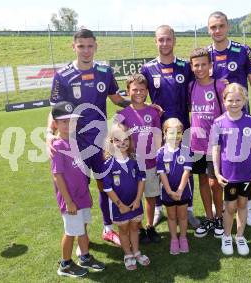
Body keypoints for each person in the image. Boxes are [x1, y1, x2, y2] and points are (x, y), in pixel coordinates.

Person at [47, 28, 132, 247]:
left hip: (102, 142)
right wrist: (49, 133)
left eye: (90, 46)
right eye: (81, 46)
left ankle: (107, 228)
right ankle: (80, 235)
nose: (86, 51)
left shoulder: (105, 71)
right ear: (73, 46)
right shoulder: (63, 76)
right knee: (78, 188)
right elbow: (55, 111)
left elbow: (116, 99)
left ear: (96, 46)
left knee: (106, 185)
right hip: (75, 144)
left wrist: (143, 107)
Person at [141, 25, 199, 228]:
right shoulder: (147, 69)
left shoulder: (185, 66)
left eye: (168, 39)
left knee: (185, 167)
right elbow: (136, 95)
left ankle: (188, 208)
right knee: (159, 168)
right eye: (160, 40)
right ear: (155, 42)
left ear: (174, 41)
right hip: (158, 130)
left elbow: (197, 92)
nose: (164, 43)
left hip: (183, 128)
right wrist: (148, 105)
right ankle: (158, 209)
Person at [207, 11, 251, 226]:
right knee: (222, 162)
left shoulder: (243, 51)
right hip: (219, 123)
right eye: (213, 27)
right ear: (208, 29)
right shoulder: (206, 54)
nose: (217, 30)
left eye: (220, 26)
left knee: (246, 161)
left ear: (228, 26)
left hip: (243, 120)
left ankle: (247, 204)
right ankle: (223, 203)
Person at [50, 101, 105, 277]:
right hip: (71, 199)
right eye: (63, 121)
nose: (68, 125)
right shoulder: (58, 146)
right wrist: (68, 201)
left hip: (82, 196)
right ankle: (65, 265)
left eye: (71, 121)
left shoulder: (74, 141)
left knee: (82, 228)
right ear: (56, 124)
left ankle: (85, 257)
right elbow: (57, 176)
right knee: (71, 231)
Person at [211, 83, 251, 256]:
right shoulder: (218, 122)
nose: (234, 103)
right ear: (224, 101)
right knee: (230, 207)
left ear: (244, 100)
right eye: (230, 100)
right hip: (228, 175)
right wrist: (217, 172)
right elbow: (215, 150)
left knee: (243, 205)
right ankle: (227, 236)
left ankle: (240, 236)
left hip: (246, 173)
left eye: (238, 100)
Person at [116, 73, 162, 243]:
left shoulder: (153, 112)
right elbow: (117, 138)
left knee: (150, 195)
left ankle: (150, 226)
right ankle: (139, 227)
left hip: (150, 163)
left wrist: (158, 157)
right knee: (133, 196)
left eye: (142, 89)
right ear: (128, 91)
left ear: (147, 91)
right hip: (131, 165)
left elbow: (158, 138)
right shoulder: (122, 114)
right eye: (134, 89)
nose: (139, 92)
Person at [188, 47, 226, 238]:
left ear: (211, 65)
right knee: (202, 181)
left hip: (215, 145)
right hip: (196, 144)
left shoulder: (219, 86)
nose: (200, 68)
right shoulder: (191, 87)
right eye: (196, 65)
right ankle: (209, 218)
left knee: (214, 183)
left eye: (204, 64)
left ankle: (220, 216)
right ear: (191, 67)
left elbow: (229, 114)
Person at [102, 123, 150, 270]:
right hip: (119, 206)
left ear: (129, 140)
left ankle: (136, 252)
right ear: (111, 142)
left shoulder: (135, 159)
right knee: (123, 230)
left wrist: (137, 200)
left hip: (135, 203)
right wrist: (120, 205)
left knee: (134, 228)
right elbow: (108, 188)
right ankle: (127, 254)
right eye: (117, 140)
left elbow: (142, 180)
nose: (122, 143)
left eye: (125, 139)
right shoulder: (108, 164)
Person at [156, 118, 193, 255]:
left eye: (178, 133)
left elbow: (186, 172)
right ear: (165, 134)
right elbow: (162, 175)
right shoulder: (160, 153)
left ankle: (183, 237)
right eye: (171, 133)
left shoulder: (186, 150)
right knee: (171, 216)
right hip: (168, 192)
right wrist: (170, 191)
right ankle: (173, 239)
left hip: (183, 191)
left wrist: (179, 190)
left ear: (182, 134)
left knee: (182, 216)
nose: (175, 136)